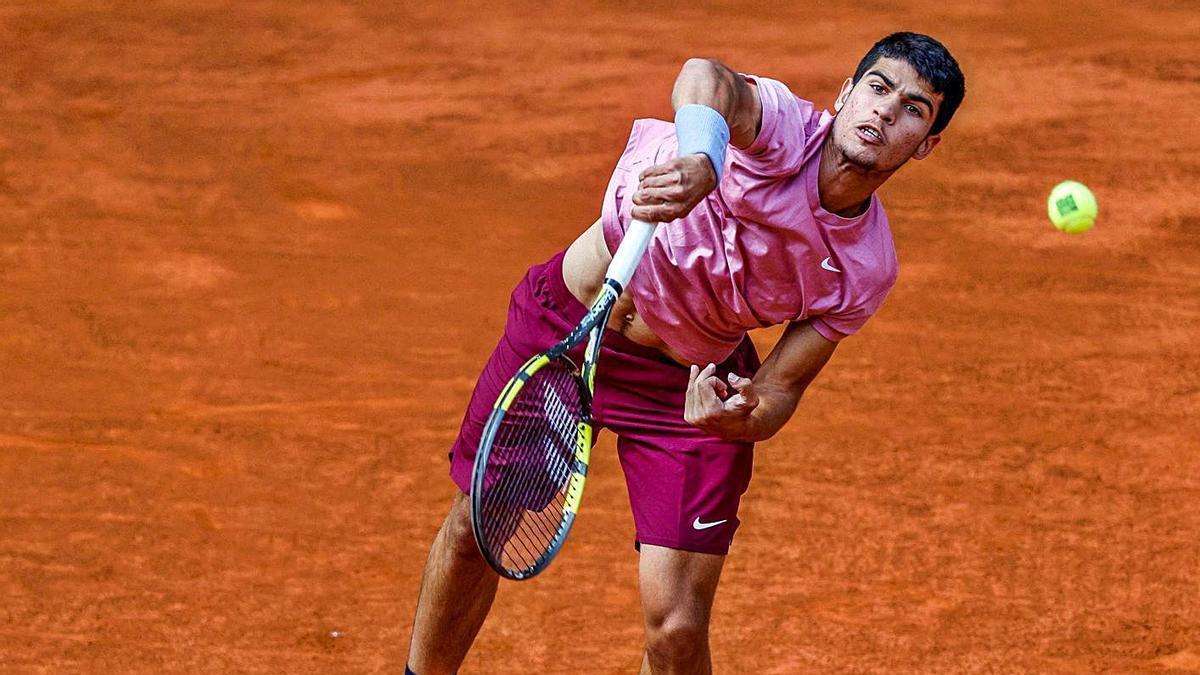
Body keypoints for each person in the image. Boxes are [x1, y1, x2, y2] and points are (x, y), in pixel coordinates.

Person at [406, 31, 966, 675]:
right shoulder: (782, 128)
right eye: (877, 87)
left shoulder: (863, 267)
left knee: (676, 629)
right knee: (476, 533)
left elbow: (780, 390)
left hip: (683, 383)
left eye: (913, 109)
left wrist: (742, 415)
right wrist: (703, 159)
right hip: (566, 329)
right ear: (845, 93)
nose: (886, 111)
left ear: (924, 146)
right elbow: (707, 76)